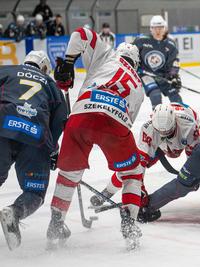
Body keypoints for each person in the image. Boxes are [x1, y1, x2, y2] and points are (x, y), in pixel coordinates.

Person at [46, 27, 144, 250]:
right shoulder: (138, 85)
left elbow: (81, 33)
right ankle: (130, 222)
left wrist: (69, 63)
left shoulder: (106, 54)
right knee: (132, 172)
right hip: (115, 121)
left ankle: (56, 223)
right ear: (136, 63)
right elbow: (127, 122)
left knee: (69, 174)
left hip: (80, 116)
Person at [89, 102, 200, 208]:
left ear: (174, 122)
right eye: (160, 132)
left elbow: (193, 159)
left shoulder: (189, 126)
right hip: (161, 144)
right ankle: (106, 193)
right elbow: (138, 166)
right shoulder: (148, 129)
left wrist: (192, 178)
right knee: (130, 167)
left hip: (191, 136)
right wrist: (141, 190)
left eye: (167, 132)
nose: (164, 135)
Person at [0, 50, 67, 251]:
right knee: (34, 191)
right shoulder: (52, 86)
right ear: (45, 68)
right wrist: (52, 150)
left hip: (2, 124)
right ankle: (15, 211)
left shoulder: (7, 70)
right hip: (36, 135)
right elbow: (60, 121)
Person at [133, 15, 182, 109]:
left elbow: (175, 62)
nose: (158, 31)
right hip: (146, 74)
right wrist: (135, 67)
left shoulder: (170, 44)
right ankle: (157, 117)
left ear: (165, 28)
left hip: (163, 75)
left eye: (160, 28)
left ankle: (180, 116)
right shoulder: (141, 40)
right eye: (155, 28)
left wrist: (173, 76)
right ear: (151, 28)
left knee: (175, 95)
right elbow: (130, 54)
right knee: (155, 94)